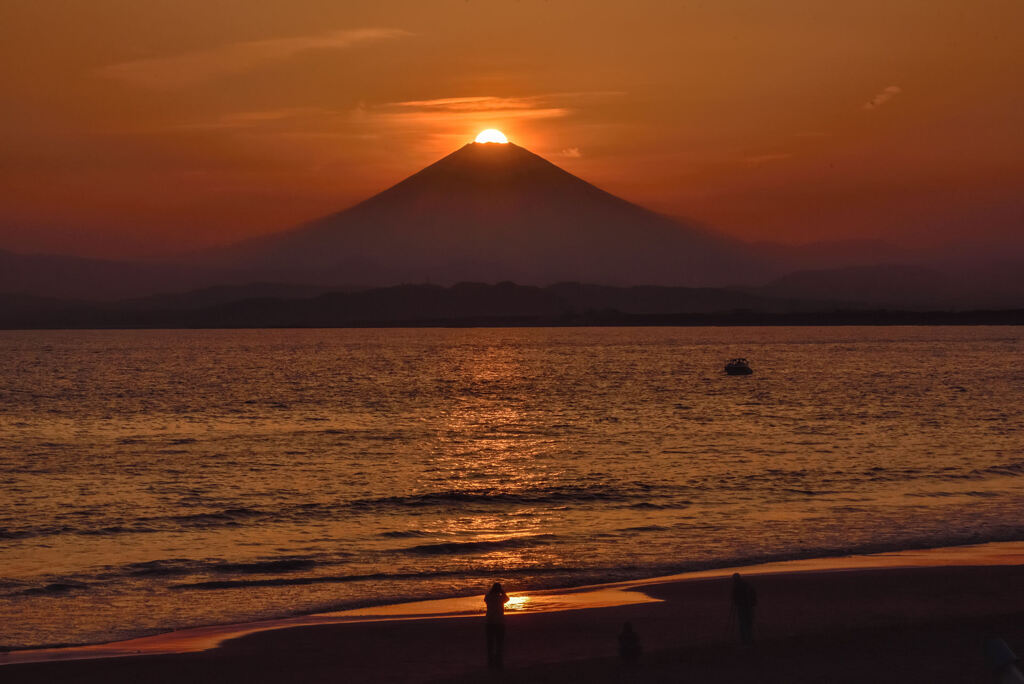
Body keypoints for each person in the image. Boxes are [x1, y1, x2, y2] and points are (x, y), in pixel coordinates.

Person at [484, 582, 510, 669]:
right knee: (499, 643)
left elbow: (486, 598)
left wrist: (491, 591)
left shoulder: (489, 597)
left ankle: (490, 662)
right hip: (499, 622)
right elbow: (507, 598)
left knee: (490, 643)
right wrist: (502, 591)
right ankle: (498, 661)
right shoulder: (501, 598)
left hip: (489, 622)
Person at [731, 573, 757, 645]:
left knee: (743, 623)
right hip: (748, 606)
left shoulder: (737, 587)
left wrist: (736, 602)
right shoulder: (747, 585)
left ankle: (745, 639)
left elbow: (735, 598)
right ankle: (749, 638)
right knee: (748, 623)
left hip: (743, 606)